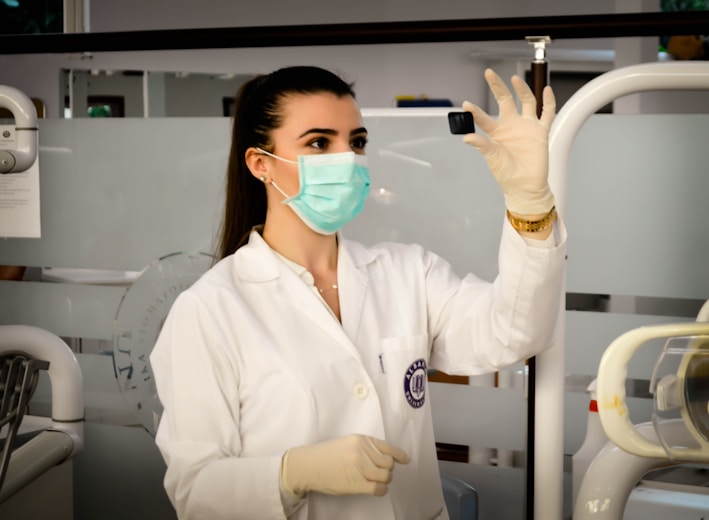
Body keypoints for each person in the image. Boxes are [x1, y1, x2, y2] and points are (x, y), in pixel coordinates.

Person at [149, 65, 567, 520]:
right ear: (260, 164)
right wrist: (291, 473)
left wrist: (530, 204)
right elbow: (196, 492)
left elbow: (514, 331)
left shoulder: (407, 272)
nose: (346, 158)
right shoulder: (210, 310)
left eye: (358, 141)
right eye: (318, 143)